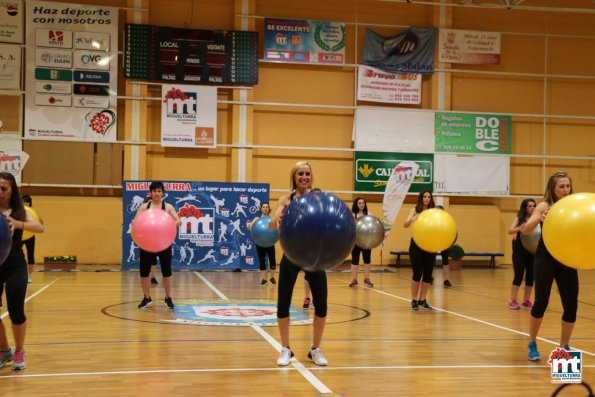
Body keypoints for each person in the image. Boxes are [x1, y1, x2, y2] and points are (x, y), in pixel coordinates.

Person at [269, 161, 328, 366]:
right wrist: (278, 215)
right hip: (292, 255)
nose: (304, 177)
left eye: (307, 174)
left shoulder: (318, 198)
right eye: (300, 174)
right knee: (283, 303)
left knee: (321, 305)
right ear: (294, 177)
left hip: (314, 257)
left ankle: (315, 349)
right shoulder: (286, 199)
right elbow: (270, 225)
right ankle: (286, 349)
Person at [523, 171, 577, 361]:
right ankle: (532, 342)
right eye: (561, 186)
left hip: (567, 258)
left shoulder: (574, 206)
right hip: (545, 257)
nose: (565, 189)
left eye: (567, 186)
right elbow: (526, 229)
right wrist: (539, 218)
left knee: (571, 305)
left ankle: (564, 347)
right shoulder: (545, 205)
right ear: (552, 189)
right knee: (541, 302)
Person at [0, 172, 44, 370]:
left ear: (12, 190)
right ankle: (4, 351)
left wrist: (19, 224)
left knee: (16, 310)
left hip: (15, 265)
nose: (0, 192)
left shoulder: (19, 210)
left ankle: (19, 350)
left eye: (4, 188)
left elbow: (40, 227)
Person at [133, 181, 181, 310]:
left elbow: (178, 221)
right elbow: (136, 221)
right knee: (144, 272)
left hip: (164, 243)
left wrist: (170, 223)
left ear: (162, 193)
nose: (157, 193)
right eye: (154, 191)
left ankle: (168, 298)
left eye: (159, 191)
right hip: (147, 243)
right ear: (151, 193)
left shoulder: (168, 207)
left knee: (166, 271)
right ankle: (146, 297)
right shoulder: (144, 207)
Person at [403, 189, 435, 310]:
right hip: (416, 244)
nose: (427, 198)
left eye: (429, 197)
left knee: (427, 274)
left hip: (431, 244)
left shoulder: (434, 212)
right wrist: (413, 218)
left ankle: (423, 299)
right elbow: (405, 225)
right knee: (417, 273)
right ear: (421, 198)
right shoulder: (415, 209)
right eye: (424, 196)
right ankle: (414, 300)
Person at [507, 198, 536, 310]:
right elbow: (510, 230)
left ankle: (526, 300)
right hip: (519, 252)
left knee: (530, 277)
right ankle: (512, 300)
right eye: (529, 206)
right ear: (525, 207)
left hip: (532, 252)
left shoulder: (537, 219)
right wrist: (520, 227)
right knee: (518, 276)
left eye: (533, 206)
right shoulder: (519, 218)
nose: (532, 208)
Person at [247, 202, 277, 286]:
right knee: (262, 261)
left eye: (267, 207)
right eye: (263, 207)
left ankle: (272, 278)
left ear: (269, 209)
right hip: (260, 243)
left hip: (270, 242)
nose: (265, 208)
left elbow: (276, 229)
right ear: (260, 209)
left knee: (272, 260)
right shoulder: (257, 219)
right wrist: (249, 226)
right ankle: (264, 279)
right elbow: (251, 228)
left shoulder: (271, 219)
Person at [349, 197, 374, 287]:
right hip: (356, 241)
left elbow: (372, 227)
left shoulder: (369, 214)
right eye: (359, 203)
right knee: (355, 260)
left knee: (367, 260)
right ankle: (354, 279)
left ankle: (367, 279)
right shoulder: (352, 215)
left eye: (363, 203)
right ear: (356, 204)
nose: (361, 204)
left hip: (366, 241)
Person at [20, 195, 44, 284]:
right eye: (24, 201)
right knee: (17, 255)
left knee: (30, 256)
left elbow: (41, 222)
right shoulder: (18, 210)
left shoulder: (33, 212)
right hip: (19, 236)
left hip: (30, 237)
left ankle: (29, 275)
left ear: (29, 203)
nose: (25, 203)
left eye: (27, 202)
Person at [436, 206, 452, 288]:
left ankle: (446, 280)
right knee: (430, 260)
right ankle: (430, 278)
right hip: (433, 242)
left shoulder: (446, 221)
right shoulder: (432, 221)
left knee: (445, 261)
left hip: (444, 242)